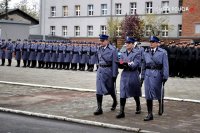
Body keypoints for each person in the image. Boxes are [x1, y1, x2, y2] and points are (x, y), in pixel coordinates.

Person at [141, 36, 169, 121]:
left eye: (153, 42)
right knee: (148, 95)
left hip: (158, 74)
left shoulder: (163, 52)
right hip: (148, 74)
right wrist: (142, 76)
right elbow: (143, 65)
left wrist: (165, 76)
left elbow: (165, 65)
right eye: (150, 42)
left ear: (157, 43)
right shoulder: (146, 52)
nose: (151, 43)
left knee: (158, 92)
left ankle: (160, 104)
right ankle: (150, 114)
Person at [116, 37, 141, 119]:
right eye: (126, 43)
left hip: (133, 74)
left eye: (128, 43)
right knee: (122, 92)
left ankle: (138, 105)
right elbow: (121, 62)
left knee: (135, 92)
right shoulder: (123, 53)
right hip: (125, 74)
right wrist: (120, 64)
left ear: (133, 44)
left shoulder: (137, 53)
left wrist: (128, 64)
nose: (126, 44)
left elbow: (135, 64)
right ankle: (121, 111)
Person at [94, 34, 118, 115]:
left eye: (102, 41)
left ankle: (115, 101)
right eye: (100, 41)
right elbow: (98, 59)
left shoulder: (113, 50)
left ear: (107, 41)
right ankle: (99, 108)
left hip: (108, 71)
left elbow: (115, 63)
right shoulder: (99, 49)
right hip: (100, 71)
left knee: (110, 89)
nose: (101, 42)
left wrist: (114, 75)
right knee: (99, 89)